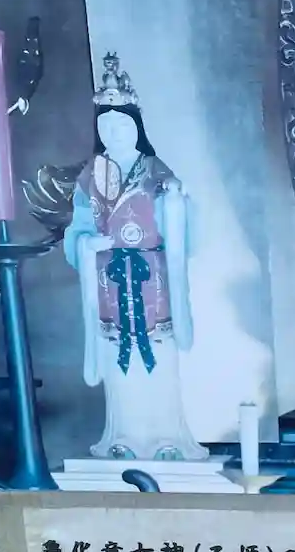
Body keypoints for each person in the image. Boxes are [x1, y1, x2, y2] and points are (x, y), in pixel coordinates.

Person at [63, 54, 204, 461]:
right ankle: (122, 438)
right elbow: (78, 228)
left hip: (151, 281)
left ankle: (166, 438)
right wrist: (87, 243)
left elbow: (182, 223)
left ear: (136, 127)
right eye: (105, 126)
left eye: (121, 125)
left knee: (158, 360)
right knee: (117, 364)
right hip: (110, 279)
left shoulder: (156, 171)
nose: (114, 132)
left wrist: (176, 202)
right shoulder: (91, 177)